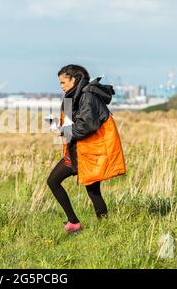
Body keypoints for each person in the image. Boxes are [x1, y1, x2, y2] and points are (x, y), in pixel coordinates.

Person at [47, 64, 126, 234]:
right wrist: (58, 127)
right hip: (76, 151)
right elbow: (70, 126)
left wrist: (62, 131)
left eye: (63, 82)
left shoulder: (88, 96)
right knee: (63, 183)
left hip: (91, 151)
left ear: (74, 80)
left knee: (89, 189)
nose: (61, 86)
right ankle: (80, 223)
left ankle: (95, 227)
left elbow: (86, 126)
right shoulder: (69, 97)